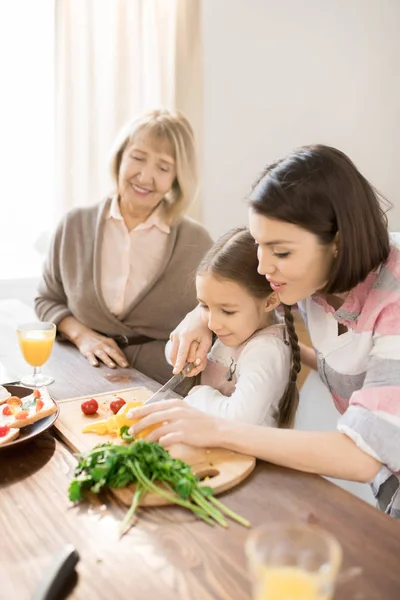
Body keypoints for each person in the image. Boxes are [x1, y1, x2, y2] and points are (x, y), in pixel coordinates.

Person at [128, 145, 400, 518]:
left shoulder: (393, 297)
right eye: (259, 244)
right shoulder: (311, 279)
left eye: (281, 252)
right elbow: (242, 281)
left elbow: (365, 455)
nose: (263, 266)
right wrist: (200, 315)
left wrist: (216, 429)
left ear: (337, 243)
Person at [35, 109, 212, 383]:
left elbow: (217, 310)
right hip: (81, 371)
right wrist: (83, 336)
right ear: (120, 157)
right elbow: (47, 300)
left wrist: (202, 320)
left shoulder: (197, 241)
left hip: (163, 382)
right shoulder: (74, 225)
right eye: (138, 158)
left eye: (163, 167)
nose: (145, 176)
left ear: (177, 178)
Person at [165, 227, 300, 426]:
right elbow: (173, 354)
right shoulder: (234, 327)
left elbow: (239, 418)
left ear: (270, 302)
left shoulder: (266, 350)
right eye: (204, 305)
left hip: (247, 455)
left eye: (227, 311)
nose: (212, 323)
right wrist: (184, 350)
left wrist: (198, 394)